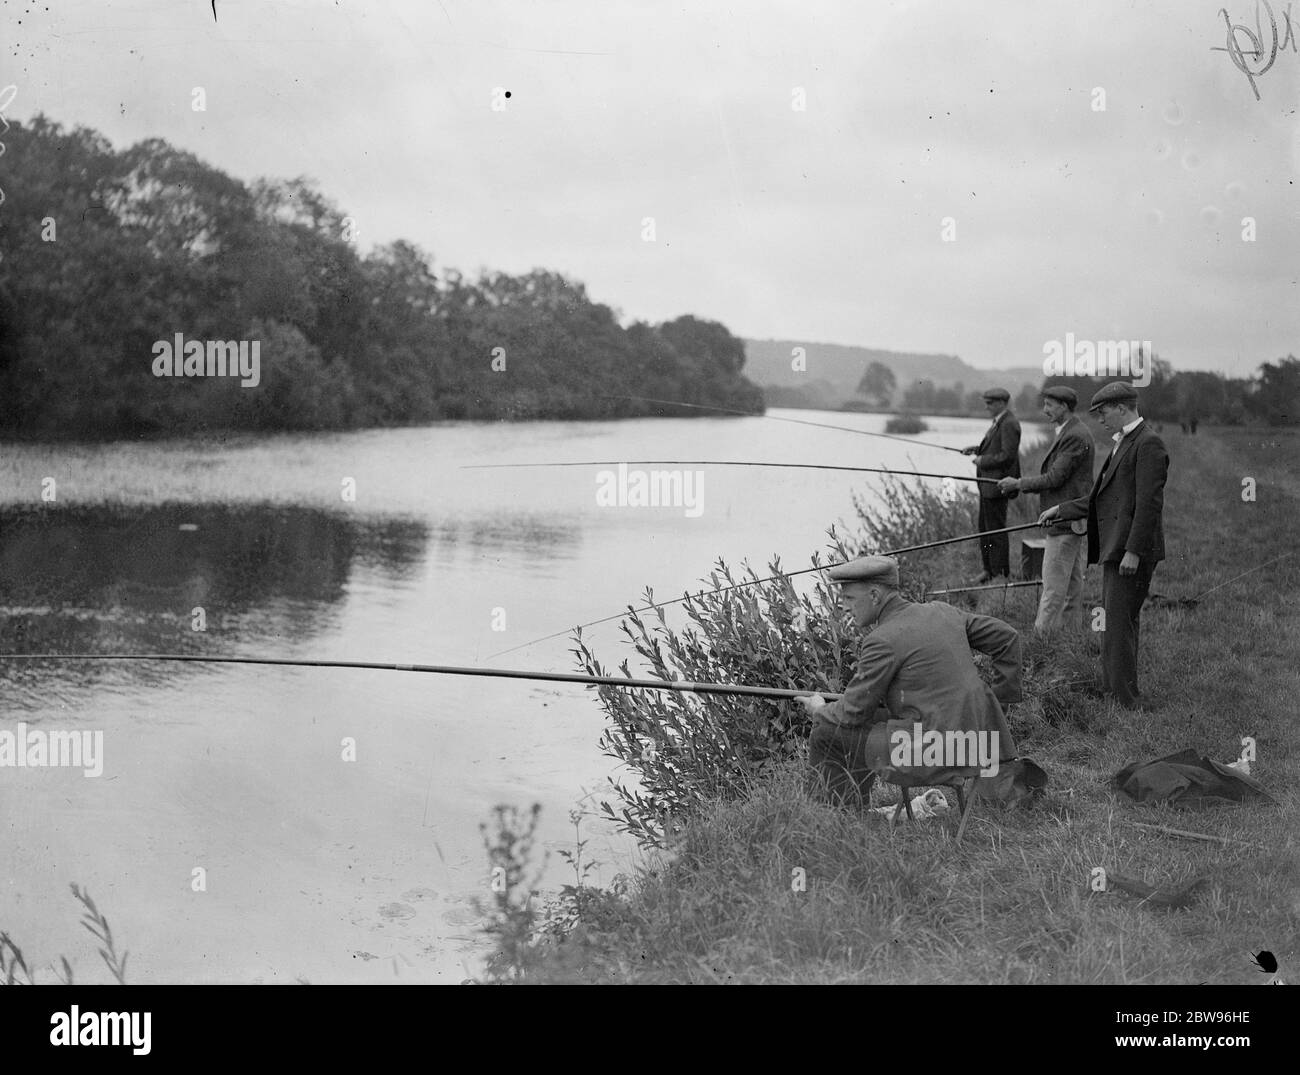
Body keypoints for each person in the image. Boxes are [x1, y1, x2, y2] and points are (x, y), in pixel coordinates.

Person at [795, 554, 1021, 806]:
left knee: (827, 732)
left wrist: (819, 708)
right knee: (870, 720)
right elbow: (1007, 638)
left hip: (939, 754)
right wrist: (998, 707)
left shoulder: (882, 639)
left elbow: (851, 713)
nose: (844, 607)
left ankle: (835, 816)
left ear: (874, 595)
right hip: (981, 744)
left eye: (849, 598)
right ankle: (852, 809)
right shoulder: (942, 611)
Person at [1038, 381, 1169, 709]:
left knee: (1118, 623)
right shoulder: (1124, 442)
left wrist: (1134, 551)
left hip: (1130, 551)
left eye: (1104, 412)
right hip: (1118, 548)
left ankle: (1123, 700)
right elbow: (1100, 496)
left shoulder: (1148, 443)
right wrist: (1062, 509)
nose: (1099, 419)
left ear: (1122, 408)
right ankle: (1118, 691)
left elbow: (1148, 504)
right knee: (1118, 622)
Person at [997, 385, 1094, 634]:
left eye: (1050, 405)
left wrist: (1018, 483)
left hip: (1064, 520)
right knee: (1071, 584)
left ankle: (1040, 640)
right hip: (1071, 518)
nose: (1045, 410)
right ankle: (1072, 637)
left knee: (1053, 585)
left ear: (1063, 406)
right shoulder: (1071, 431)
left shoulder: (1074, 435)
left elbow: (1054, 478)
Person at [962, 388, 1020, 583]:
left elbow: (1007, 456)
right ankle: (989, 571)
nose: (986, 407)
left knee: (995, 531)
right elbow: (995, 448)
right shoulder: (1000, 422)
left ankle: (999, 574)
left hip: (997, 486)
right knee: (985, 530)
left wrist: (982, 461)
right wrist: (975, 450)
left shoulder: (1009, 423)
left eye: (990, 403)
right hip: (987, 487)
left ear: (1002, 403)